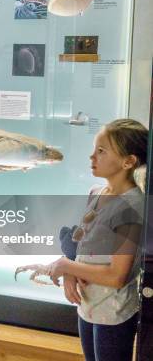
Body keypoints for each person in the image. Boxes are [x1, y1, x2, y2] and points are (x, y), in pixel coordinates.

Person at [45, 119, 148, 361]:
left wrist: (65, 266)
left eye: (101, 151)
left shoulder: (132, 208)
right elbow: (82, 242)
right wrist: (69, 269)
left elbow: (116, 276)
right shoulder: (95, 193)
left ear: (129, 161)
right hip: (88, 307)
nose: (92, 157)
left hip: (113, 314)